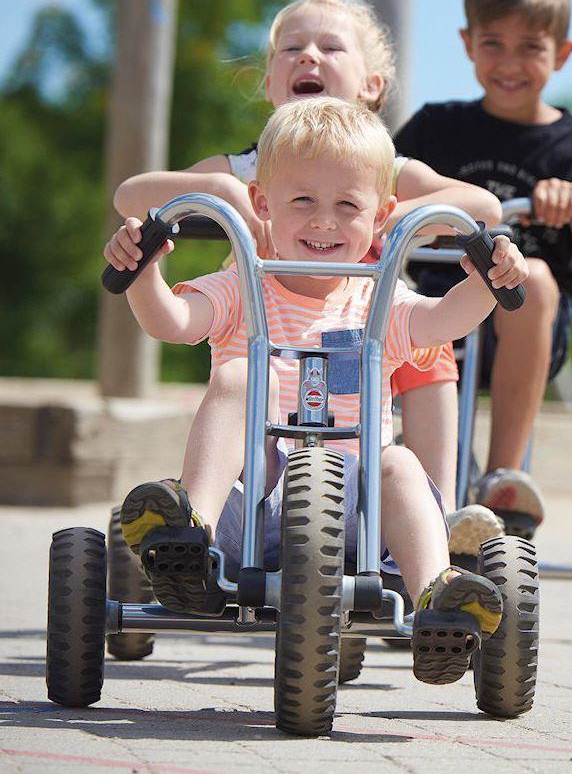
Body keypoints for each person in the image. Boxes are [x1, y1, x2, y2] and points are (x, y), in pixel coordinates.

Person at [108, 97, 529, 684]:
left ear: (381, 216)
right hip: (253, 505)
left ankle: (438, 595)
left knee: (401, 462)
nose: (324, 221)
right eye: (302, 200)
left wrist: (491, 280)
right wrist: (143, 273)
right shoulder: (242, 287)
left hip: (362, 519)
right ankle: (191, 539)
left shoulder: (379, 299)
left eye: (347, 205)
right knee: (238, 377)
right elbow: (171, 322)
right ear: (262, 203)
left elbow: (443, 321)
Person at [111, 0, 506, 555]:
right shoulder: (249, 167)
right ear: (270, 82)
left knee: (427, 358)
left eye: (330, 47)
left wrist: (401, 223)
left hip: (368, 307)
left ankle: (435, 520)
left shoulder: (383, 166)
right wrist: (218, 194)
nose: (309, 57)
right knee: (244, 376)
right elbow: (132, 195)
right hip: (265, 303)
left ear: (370, 85)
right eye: (291, 48)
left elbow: (482, 207)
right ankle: (192, 534)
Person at [395, 0, 572, 538]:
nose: (508, 63)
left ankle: (503, 477)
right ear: (467, 43)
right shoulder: (436, 127)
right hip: (436, 319)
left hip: (527, 334)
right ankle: (424, 510)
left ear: (563, 54)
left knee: (536, 277)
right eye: (493, 43)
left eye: (530, 46)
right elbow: (377, 197)